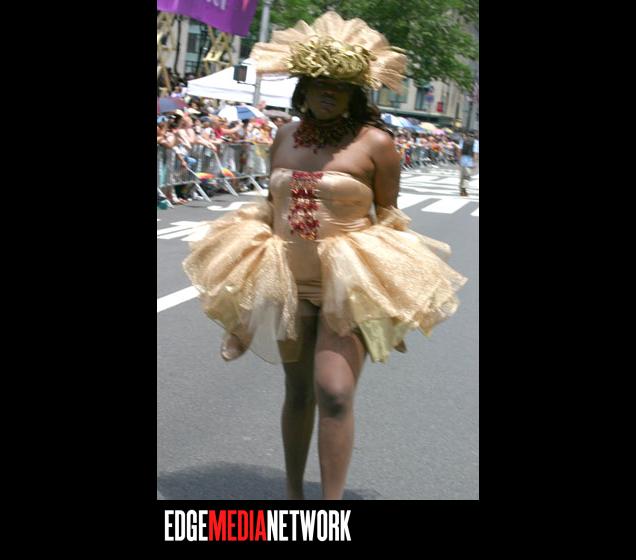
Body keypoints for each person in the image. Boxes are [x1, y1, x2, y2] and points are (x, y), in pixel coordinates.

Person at [182, 11, 467, 500]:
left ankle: (329, 510)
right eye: (320, 84)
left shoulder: (376, 144)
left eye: (340, 86)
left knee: (334, 392)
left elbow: (388, 216)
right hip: (287, 279)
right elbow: (273, 203)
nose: (328, 93)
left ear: (355, 93)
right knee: (298, 392)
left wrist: (390, 296)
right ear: (305, 88)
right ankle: (295, 498)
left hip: (347, 282)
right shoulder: (285, 136)